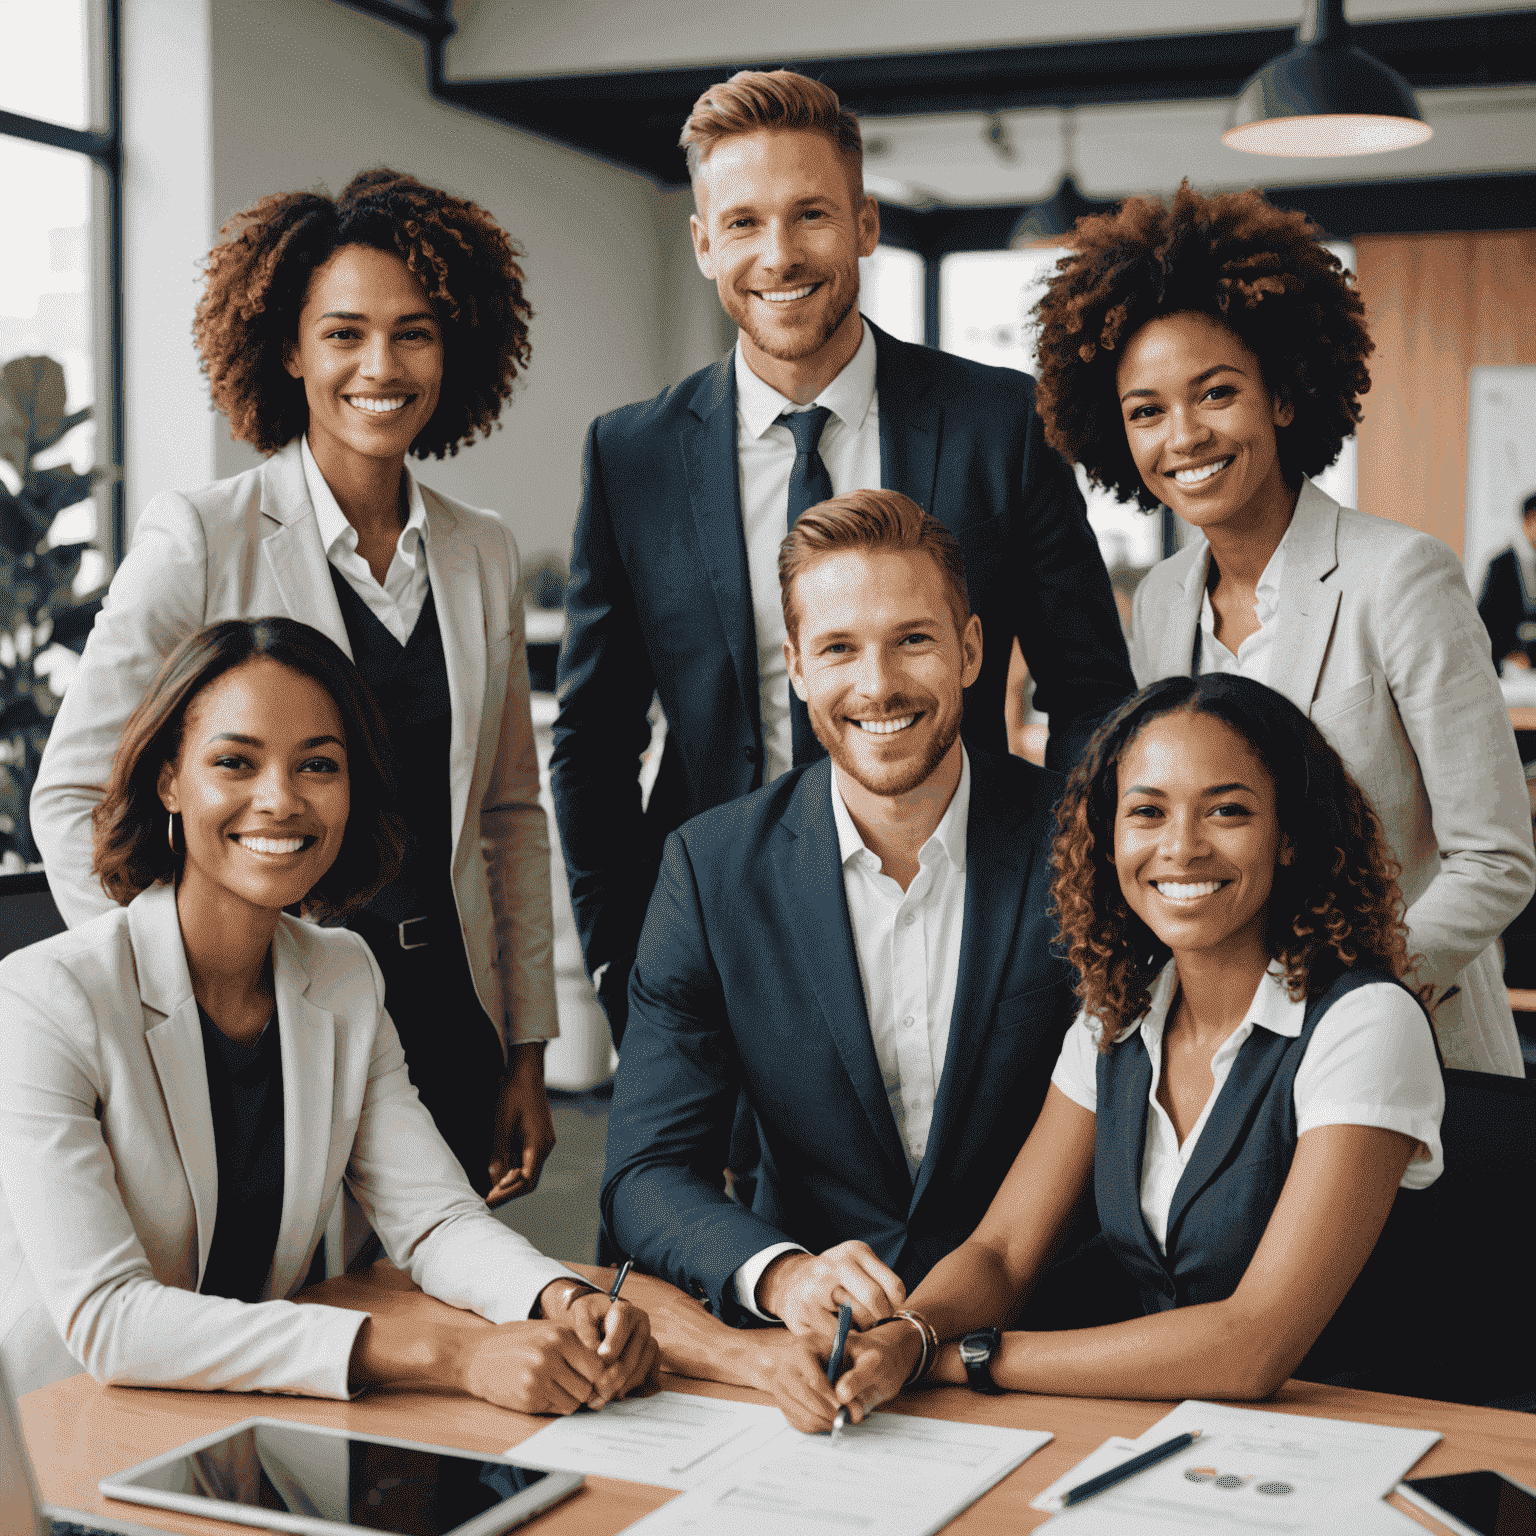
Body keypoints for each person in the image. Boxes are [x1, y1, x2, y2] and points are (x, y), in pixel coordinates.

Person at [551, 68, 1133, 1049]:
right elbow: (595, 740)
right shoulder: (633, 455)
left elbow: (1090, 696)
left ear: (864, 224)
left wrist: (1057, 901)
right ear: (703, 243)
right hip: (721, 948)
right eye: (741, 223)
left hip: (968, 932)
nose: (778, 255)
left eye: (810, 214)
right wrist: (622, 964)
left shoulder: (999, 425)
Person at [31, 169, 560, 1198]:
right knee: (285, 1318)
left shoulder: (480, 552)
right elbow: (69, 796)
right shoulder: (202, 539)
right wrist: (178, 989)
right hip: (272, 1017)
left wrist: (527, 1046)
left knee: (445, 1318)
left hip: (448, 1017)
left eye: (415, 333)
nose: (381, 366)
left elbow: (506, 815)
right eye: (344, 333)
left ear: (455, 350)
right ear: (287, 347)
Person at [0, 619, 655, 1405]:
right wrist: (437, 1354)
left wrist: (564, 1300)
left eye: (317, 765)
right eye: (234, 762)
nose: (280, 799)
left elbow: (434, 1219)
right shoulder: (45, 998)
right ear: (169, 779)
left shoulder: (343, 975)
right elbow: (109, 1318)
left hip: (251, 1417)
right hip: (61, 1432)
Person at [785, 674, 1444, 1429]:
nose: (1182, 847)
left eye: (1227, 811)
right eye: (1148, 813)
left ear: (1288, 832)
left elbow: (1252, 1344)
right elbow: (1002, 1251)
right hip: (1170, 1434)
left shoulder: (1364, 1026)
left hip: (1354, 1442)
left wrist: (961, 1359)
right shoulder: (1119, 1017)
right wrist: (907, 1334)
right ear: (1110, 836)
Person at [601, 489, 1125, 1367]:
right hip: (818, 1352)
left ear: (969, 650)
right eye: (840, 648)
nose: (877, 685)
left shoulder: (1090, 845)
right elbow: (646, 1172)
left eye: (912, 640)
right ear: (797, 666)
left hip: (1056, 1345)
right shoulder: (712, 869)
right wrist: (783, 1278)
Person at [1031, 182, 1533, 1075]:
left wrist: (1338, 1006)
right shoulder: (1161, 602)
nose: (1183, 436)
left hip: (1408, 1052)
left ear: (1286, 397)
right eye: (1146, 410)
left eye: (1215, 393)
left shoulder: (1401, 576)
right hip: (1228, 1070)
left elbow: (1495, 860)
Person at [1477, 490, 1536, 670]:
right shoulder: (1501, 564)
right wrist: (1508, 653)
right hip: (1510, 662)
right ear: (1527, 521)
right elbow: (1487, 620)